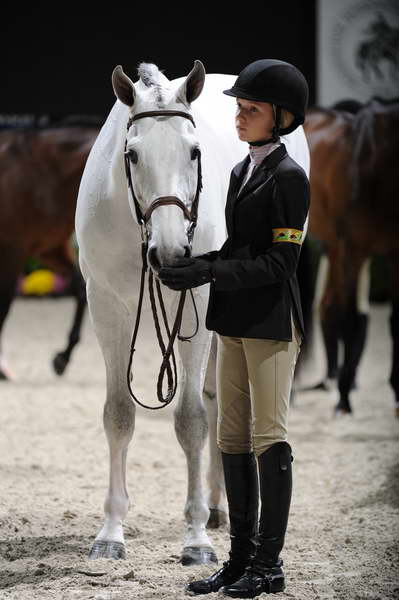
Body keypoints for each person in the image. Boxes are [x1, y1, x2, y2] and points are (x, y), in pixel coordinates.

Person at [159, 59, 310, 598]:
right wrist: (192, 268)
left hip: (271, 322)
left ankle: (269, 563)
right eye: (240, 109)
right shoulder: (241, 171)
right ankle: (240, 558)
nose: (239, 119)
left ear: (281, 117)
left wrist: (210, 270)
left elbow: (280, 264)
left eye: (250, 110)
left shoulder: (291, 178)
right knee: (229, 436)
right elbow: (239, 250)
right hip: (235, 320)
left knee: (269, 437)